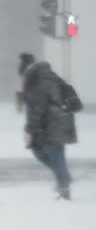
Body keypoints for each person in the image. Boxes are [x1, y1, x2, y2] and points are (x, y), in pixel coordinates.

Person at [22, 61, 77, 200]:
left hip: (49, 125)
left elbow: (38, 109)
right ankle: (63, 181)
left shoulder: (40, 83)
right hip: (61, 121)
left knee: (43, 153)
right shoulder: (53, 77)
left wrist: (30, 128)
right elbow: (66, 92)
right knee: (57, 156)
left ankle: (64, 187)